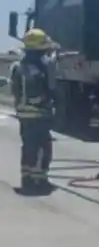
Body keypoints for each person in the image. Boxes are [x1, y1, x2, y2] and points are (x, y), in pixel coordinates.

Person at [10, 28, 58, 193]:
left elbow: (15, 91)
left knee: (28, 147)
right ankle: (40, 180)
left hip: (24, 114)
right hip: (39, 113)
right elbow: (50, 88)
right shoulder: (41, 66)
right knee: (43, 148)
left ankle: (27, 177)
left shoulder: (18, 66)